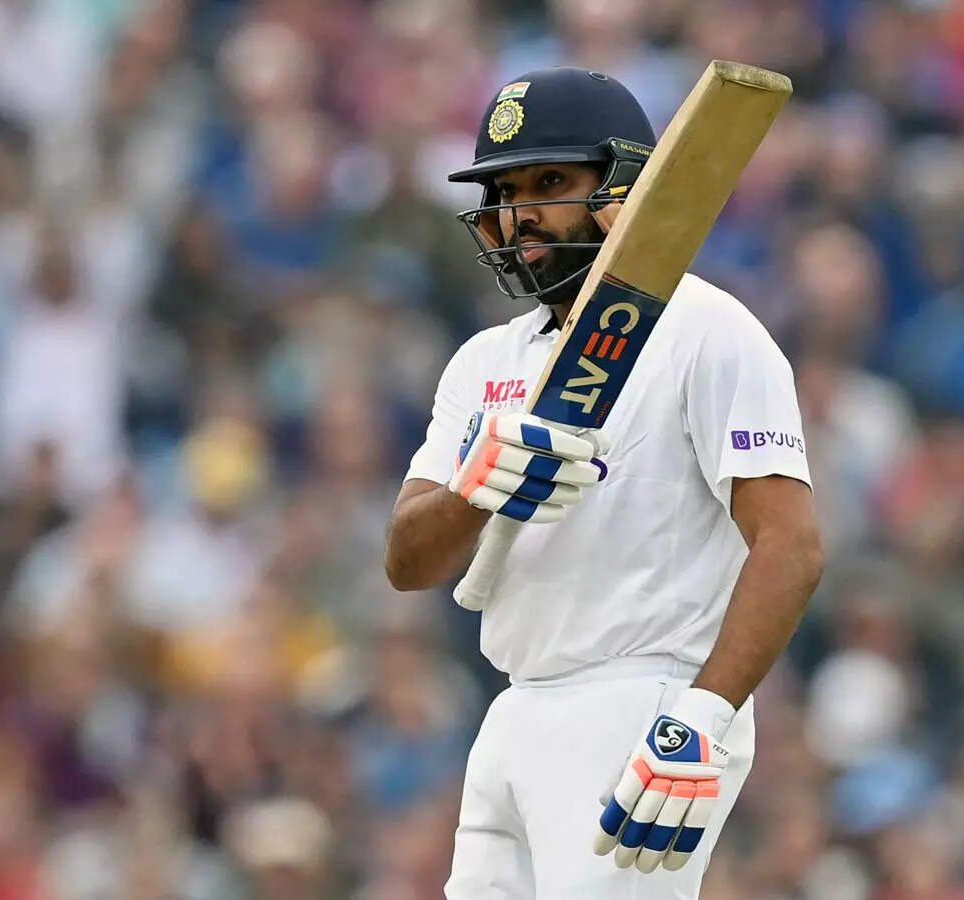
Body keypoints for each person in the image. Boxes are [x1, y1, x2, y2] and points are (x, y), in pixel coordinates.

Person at [384, 67, 822, 899]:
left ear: (625, 185)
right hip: (514, 705)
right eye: (506, 192)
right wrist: (474, 490)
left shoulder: (709, 330)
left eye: (551, 183)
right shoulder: (483, 362)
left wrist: (704, 716)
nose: (521, 214)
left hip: (639, 697)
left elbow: (790, 546)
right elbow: (408, 563)